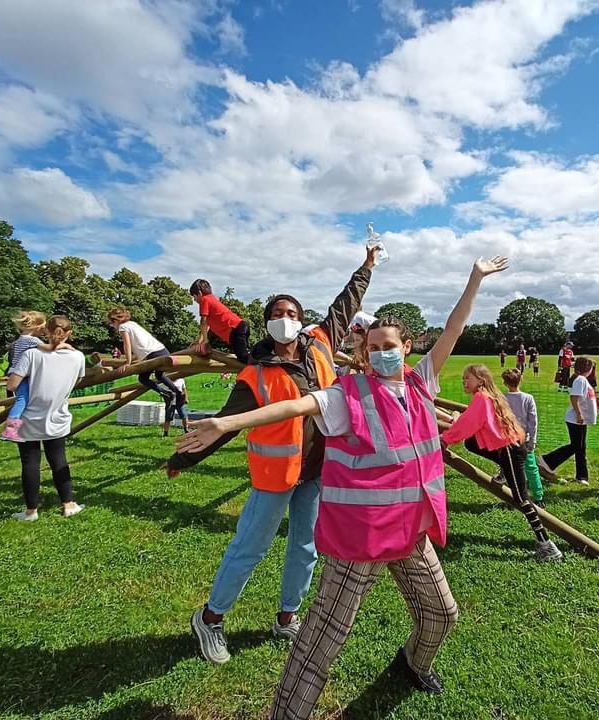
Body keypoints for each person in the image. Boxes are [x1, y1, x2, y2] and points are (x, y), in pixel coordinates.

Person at [178, 257, 509, 718]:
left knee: (442, 615)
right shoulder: (345, 393)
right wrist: (226, 422)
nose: (380, 353)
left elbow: (454, 327)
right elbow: (291, 408)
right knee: (323, 641)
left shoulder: (419, 384)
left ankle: (413, 663)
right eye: (372, 347)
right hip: (362, 538)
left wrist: (474, 279)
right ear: (363, 351)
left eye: (388, 345)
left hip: (411, 532)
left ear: (407, 347)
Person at [167, 248, 376, 664]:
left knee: (305, 547)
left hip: (316, 471)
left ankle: (287, 617)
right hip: (275, 474)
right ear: (267, 322)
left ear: (301, 320)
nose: (287, 318)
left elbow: (344, 304)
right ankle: (210, 618)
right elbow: (227, 422)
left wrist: (367, 267)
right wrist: (185, 459)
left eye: (293, 312)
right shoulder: (255, 372)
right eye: (278, 312)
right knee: (250, 548)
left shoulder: (319, 344)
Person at [443, 364, 561, 560]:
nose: (464, 381)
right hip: (509, 450)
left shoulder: (481, 398)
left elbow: (467, 424)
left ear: (480, 380)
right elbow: (471, 425)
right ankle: (505, 471)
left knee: (521, 499)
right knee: (471, 442)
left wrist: (445, 439)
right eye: (463, 378)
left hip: (509, 451)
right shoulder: (487, 396)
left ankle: (546, 544)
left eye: (467, 378)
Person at [5, 315, 86, 521]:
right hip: (58, 417)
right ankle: (68, 505)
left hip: (28, 418)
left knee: (30, 463)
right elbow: (77, 380)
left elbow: (12, 385)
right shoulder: (78, 357)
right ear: (70, 334)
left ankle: (31, 511)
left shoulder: (31, 354)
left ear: (45, 332)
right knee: (59, 460)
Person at [106, 307, 188, 427]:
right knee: (159, 375)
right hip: (162, 350)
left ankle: (167, 394)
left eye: (111, 323)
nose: (112, 326)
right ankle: (176, 392)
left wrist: (127, 362)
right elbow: (141, 344)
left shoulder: (123, 327)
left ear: (115, 321)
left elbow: (127, 345)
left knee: (143, 379)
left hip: (152, 354)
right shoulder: (132, 324)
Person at [0, 311, 71, 442]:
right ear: (38, 327)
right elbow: (49, 348)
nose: (44, 331)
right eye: (43, 328)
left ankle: (11, 428)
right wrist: (65, 345)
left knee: (24, 398)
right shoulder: (32, 340)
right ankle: (10, 429)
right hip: (21, 374)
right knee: (22, 400)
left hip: (17, 372)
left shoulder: (20, 340)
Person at [540, 356, 596, 485]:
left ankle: (582, 476)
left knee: (581, 447)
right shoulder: (580, 380)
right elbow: (574, 397)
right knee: (576, 446)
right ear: (587, 368)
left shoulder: (583, 380)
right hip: (575, 419)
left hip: (580, 420)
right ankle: (546, 461)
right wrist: (579, 414)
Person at [502, 368, 544, 503]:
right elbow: (533, 422)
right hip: (523, 440)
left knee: (509, 468)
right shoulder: (528, 398)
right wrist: (532, 440)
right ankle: (538, 497)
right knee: (531, 468)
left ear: (505, 383)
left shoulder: (502, 399)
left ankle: (512, 495)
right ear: (521, 380)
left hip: (507, 439)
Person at [188, 279, 250, 364]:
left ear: (199, 293)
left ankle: (263, 365)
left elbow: (203, 321)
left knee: (243, 357)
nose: (194, 300)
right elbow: (207, 325)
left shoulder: (204, 300)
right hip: (239, 327)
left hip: (235, 329)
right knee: (243, 355)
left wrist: (205, 341)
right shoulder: (212, 299)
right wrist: (200, 340)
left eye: (194, 296)